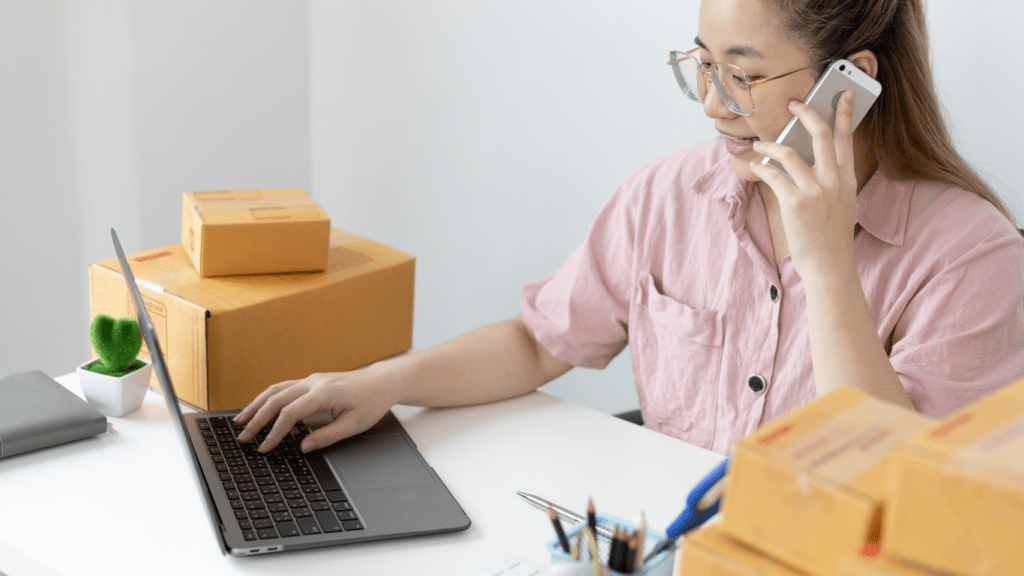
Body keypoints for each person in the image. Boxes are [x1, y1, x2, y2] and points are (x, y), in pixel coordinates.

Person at [236, 0, 1024, 455]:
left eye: (743, 75)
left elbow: (894, 471)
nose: (712, 103)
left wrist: (825, 265)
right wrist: (380, 383)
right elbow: (541, 341)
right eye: (702, 64)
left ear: (849, 82)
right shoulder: (669, 195)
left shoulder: (972, 254)